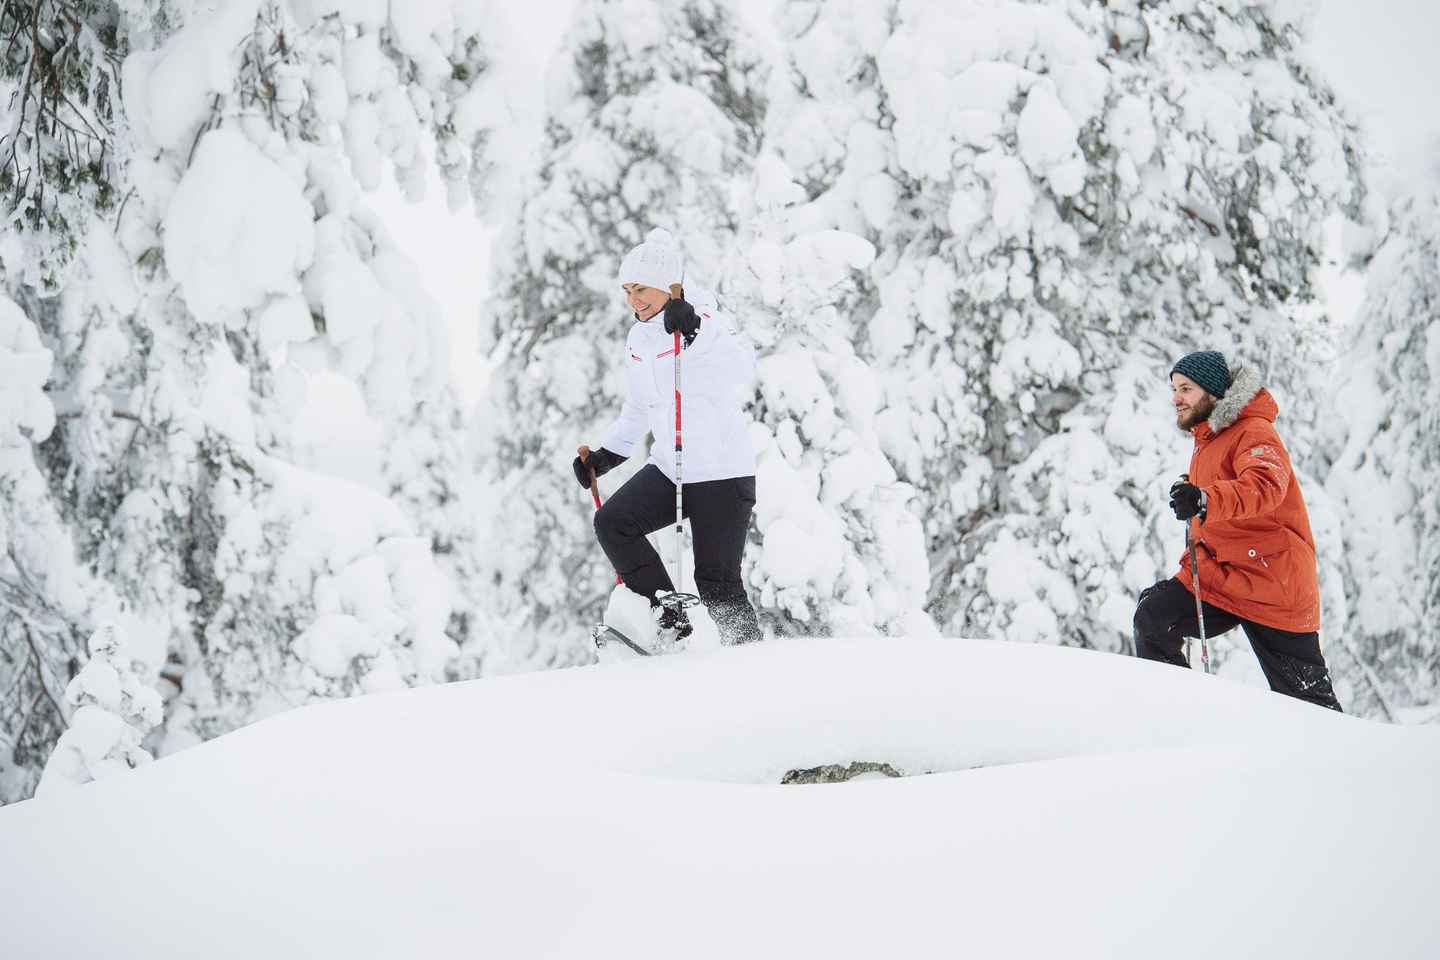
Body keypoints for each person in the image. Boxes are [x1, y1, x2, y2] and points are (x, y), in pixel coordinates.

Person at [571, 228, 761, 646]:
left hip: (721, 474)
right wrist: (607, 454)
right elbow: (640, 407)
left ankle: (749, 655)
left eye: (641, 288)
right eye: (627, 290)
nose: (633, 299)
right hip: (670, 469)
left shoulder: (704, 319)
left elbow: (741, 368)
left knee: (716, 581)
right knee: (614, 523)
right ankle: (668, 617)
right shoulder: (639, 338)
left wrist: (694, 331)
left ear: (666, 286)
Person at [1132, 350, 1343, 710]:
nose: (1176, 398)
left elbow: (1264, 486)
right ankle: (1178, 717)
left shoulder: (1254, 430)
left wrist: (1205, 499)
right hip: (1225, 573)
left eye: (1185, 388)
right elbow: (1220, 512)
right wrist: (1197, 497)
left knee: (1310, 704)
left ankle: (1353, 756)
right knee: (1154, 618)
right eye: (1174, 389)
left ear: (1212, 392)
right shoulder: (1209, 440)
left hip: (1272, 582)